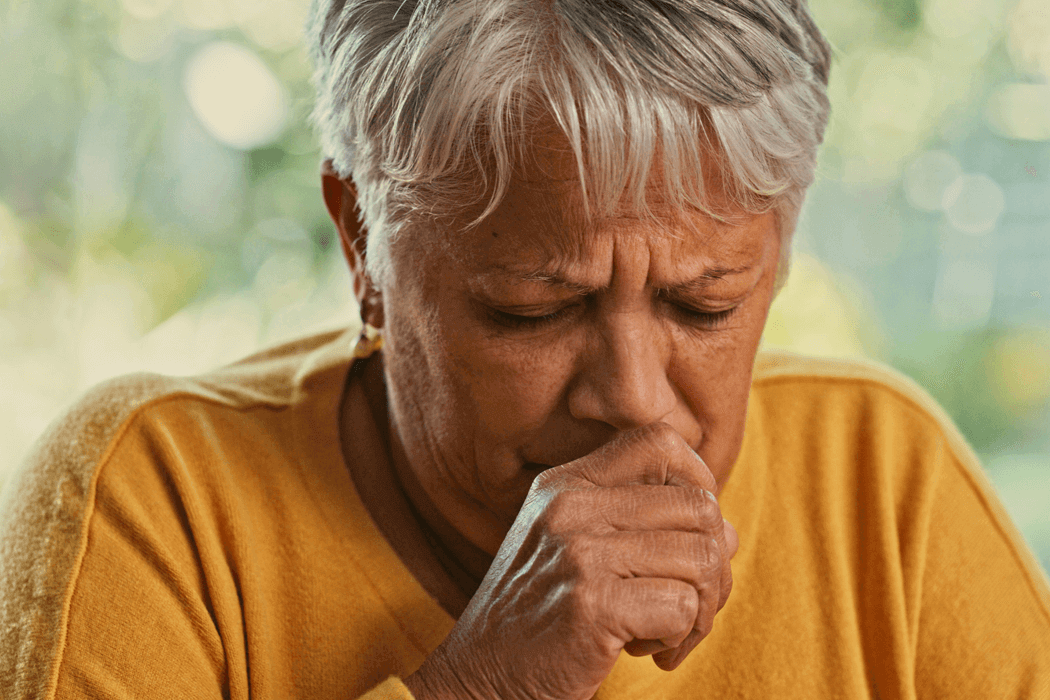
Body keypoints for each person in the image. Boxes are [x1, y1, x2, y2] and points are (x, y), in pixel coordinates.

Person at [2, 0, 1049, 697]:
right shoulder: (157, 498)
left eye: (703, 305)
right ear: (362, 240)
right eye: (533, 310)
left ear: (780, 246)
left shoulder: (887, 480)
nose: (637, 402)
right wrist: (482, 683)